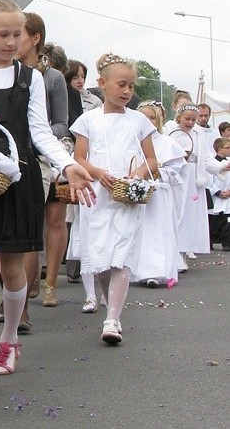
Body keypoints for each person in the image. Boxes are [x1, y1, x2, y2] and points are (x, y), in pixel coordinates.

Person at [0, 0, 94, 389]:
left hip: (20, 179)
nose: (11, 42)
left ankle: (9, 340)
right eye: (3, 34)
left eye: (17, 34)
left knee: (12, 268)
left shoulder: (33, 79)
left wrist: (67, 164)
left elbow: (41, 131)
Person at [70, 54, 159, 345]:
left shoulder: (138, 122)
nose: (127, 92)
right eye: (122, 84)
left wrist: (137, 173)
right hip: (99, 195)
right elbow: (79, 157)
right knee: (102, 259)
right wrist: (97, 171)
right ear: (103, 84)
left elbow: (151, 160)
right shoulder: (88, 120)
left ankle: (112, 319)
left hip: (126, 198)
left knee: (121, 255)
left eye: (131, 87)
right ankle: (112, 306)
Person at [16, 13, 69, 316]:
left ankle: (49, 284)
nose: (12, 40)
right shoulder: (5, 73)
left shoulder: (53, 78)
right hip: (12, 158)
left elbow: (63, 124)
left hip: (45, 159)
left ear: (35, 38)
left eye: (19, 34)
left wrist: (40, 134)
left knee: (51, 221)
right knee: (24, 229)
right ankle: (20, 293)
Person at [131, 102, 186, 288]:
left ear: (159, 119)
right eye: (143, 117)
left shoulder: (167, 143)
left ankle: (157, 271)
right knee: (137, 232)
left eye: (151, 117)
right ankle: (136, 270)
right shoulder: (130, 141)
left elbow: (175, 171)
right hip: (135, 194)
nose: (147, 121)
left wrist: (157, 171)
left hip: (158, 195)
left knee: (156, 233)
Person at [169, 103, 212, 259]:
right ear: (179, 117)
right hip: (177, 177)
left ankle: (183, 252)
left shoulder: (198, 135)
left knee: (189, 216)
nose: (191, 123)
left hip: (193, 178)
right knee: (176, 213)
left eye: (193, 120)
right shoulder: (172, 133)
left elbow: (207, 159)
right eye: (187, 119)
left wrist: (222, 166)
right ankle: (173, 253)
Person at [207, 137, 230, 250]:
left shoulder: (228, 162)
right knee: (212, 220)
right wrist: (217, 192)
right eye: (227, 147)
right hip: (215, 196)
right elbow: (209, 179)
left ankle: (226, 243)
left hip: (227, 195)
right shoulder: (212, 163)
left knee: (225, 220)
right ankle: (209, 241)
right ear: (220, 149)